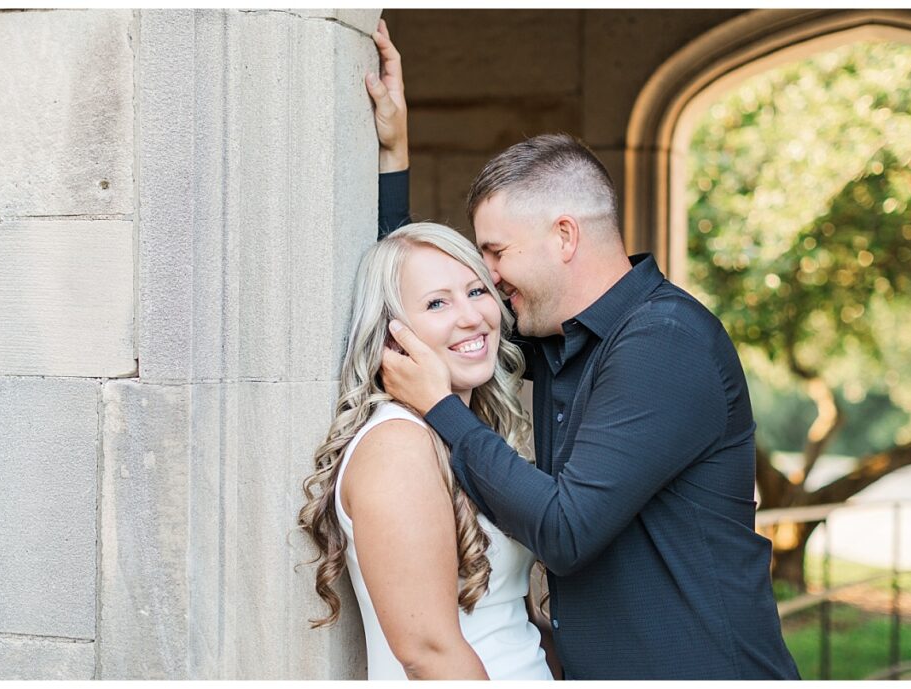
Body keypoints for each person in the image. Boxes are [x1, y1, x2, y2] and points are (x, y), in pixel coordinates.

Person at [365, 19, 800, 680]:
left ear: (564, 236)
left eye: (495, 252)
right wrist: (392, 156)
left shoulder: (665, 343)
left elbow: (566, 530)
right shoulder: (555, 336)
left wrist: (438, 407)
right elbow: (430, 310)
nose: (488, 278)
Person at [297, 220, 556, 680]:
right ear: (393, 335)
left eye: (477, 292)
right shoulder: (398, 446)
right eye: (437, 303)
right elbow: (428, 651)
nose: (472, 317)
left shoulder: (464, 433)